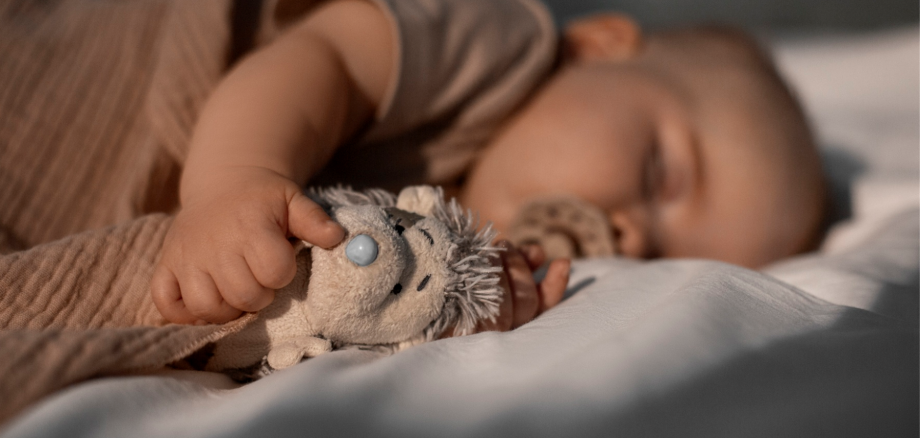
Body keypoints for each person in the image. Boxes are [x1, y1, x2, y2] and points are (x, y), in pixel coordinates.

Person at [150, 0, 826, 329]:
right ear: (597, 48)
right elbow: (330, 61)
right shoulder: (496, 44)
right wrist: (235, 179)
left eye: (662, 260)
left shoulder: (482, 258)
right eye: (659, 174)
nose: (633, 237)